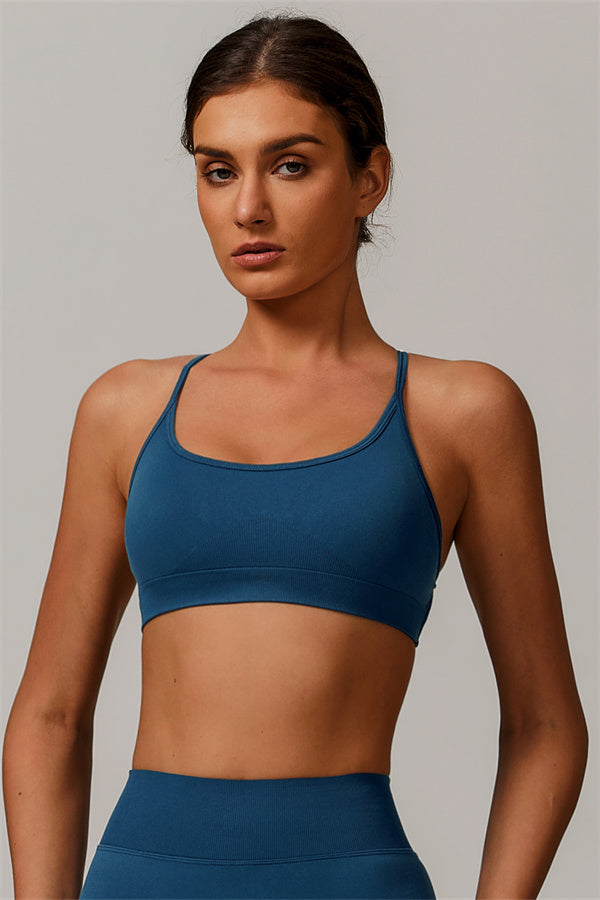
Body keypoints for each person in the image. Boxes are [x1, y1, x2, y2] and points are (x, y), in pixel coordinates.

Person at [2, 11, 588, 900]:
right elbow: (49, 715)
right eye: (218, 170)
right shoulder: (125, 412)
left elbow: (545, 722)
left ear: (369, 179)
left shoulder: (462, 414)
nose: (248, 208)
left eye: (290, 165)